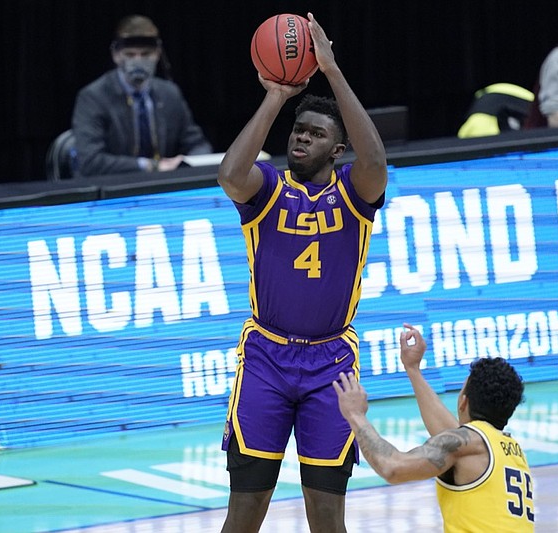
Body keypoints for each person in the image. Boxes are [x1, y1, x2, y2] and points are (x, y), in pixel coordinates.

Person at [217, 12, 387, 533]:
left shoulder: (355, 194)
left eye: (314, 135)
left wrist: (333, 73)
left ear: (337, 151)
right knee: (244, 514)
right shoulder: (266, 189)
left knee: (326, 519)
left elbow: (376, 160)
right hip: (266, 357)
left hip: (331, 364)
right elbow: (229, 175)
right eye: (298, 131)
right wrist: (276, 98)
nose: (300, 139)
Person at [333, 324, 534, 532]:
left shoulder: (468, 444)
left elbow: (393, 467)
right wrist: (413, 370)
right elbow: (451, 431)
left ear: (463, 402)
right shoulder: (508, 450)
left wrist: (355, 415)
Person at [72, 15, 212, 176]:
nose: (138, 61)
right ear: (116, 55)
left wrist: (188, 163)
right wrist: (151, 166)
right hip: (116, 188)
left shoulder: (169, 93)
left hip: (164, 184)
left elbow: (197, 144)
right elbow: (90, 161)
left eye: (145, 54)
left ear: (158, 54)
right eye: (130, 55)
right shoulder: (93, 97)